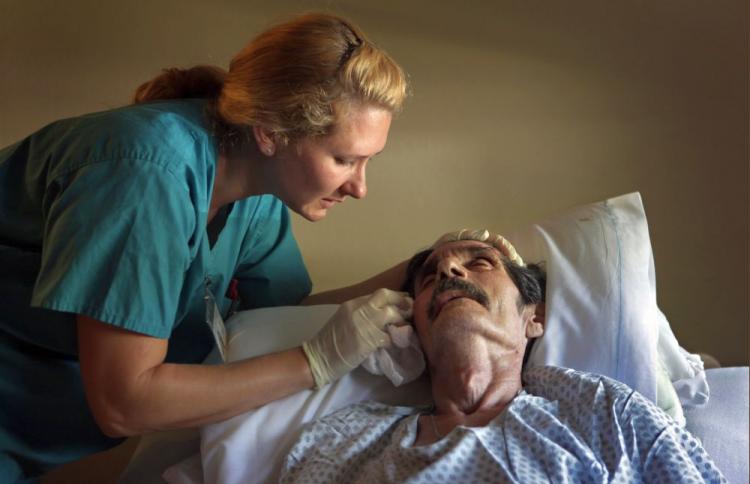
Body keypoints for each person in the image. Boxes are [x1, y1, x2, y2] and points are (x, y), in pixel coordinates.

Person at [0, 13, 414, 481]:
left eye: (367, 161)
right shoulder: (146, 176)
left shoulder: (257, 200)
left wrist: (421, 270)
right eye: (344, 159)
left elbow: (276, 321)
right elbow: (124, 402)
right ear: (271, 132)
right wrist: (314, 363)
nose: (359, 187)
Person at [281, 231, 725, 483]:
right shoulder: (344, 444)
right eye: (431, 278)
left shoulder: (602, 412)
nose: (450, 272)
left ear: (534, 318)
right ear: (411, 326)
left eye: (479, 264)